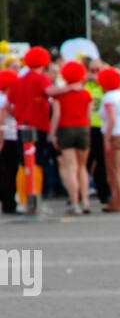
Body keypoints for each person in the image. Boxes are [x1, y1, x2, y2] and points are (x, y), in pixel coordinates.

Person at [49, 59, 92, 215]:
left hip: (66, 128)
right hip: (83, 128)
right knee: (82, 167)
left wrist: (53, 133)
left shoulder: (61, 94)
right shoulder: (86, 93)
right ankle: (86, 200)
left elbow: (56, 115)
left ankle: (74, 203)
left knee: (70, 168)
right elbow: (89, 115)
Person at [13, 45, 53, 210]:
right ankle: (33, 199)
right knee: (36, 163)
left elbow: (9, 103)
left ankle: (23, 200)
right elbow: (51, 92)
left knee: (23, 164)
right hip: (39, 126)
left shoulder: (19, 81)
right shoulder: (42, 78)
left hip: (22, 125)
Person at [98, 66, 120, 211]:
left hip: (114, 135)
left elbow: (111, 119)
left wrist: (106, 139)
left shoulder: (108, 97)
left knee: (113, 171)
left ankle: (116, 202)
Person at [85, 60, 111, 207]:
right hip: (89, 128)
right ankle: (81, 193)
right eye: (92, 70)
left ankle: (105, 193)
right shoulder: (87, 86)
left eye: (98, 70)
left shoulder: (107, 88)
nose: (95, 73)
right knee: (87, 162)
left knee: (103, 163)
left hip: (105, 128)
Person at [0, 69, 20, 214]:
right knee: (10, 171)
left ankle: (8, 202)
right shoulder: (5, 99)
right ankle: (9, 203)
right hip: (9, 137)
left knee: (7, 171)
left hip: (8, 136)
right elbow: (2, 120)